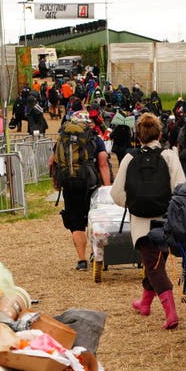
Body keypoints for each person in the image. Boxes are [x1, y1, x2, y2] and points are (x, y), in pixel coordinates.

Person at [110, 112, 186, 329]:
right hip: (164, 219)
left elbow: (116, 194)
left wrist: (132, 202)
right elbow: (180, 187)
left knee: (154, 267)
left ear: (138, 136)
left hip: (141, 222)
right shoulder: (169, 156)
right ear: (160, 134)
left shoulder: (129, 158)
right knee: (155, 261)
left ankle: (171, 313)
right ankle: (145, 302)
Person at [50, 110, 111, 270]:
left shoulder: (62, 139)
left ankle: (81, 260)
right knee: (95, 220)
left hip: (69, 184)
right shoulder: (95, 139)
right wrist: (107, 186)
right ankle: (95, 253)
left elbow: (53, 162)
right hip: (91, 184)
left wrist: (56, 182)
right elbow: (103, 163)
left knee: (76, 223)